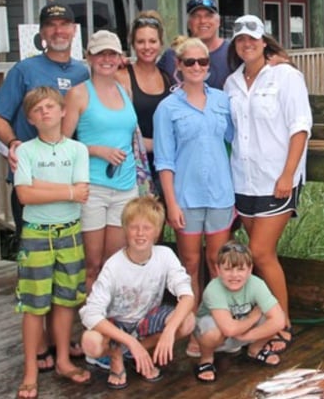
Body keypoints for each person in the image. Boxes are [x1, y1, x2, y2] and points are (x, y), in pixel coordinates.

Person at [0, 1, 90, 372]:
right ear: (42, 32)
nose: (59, 31)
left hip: (73, 180)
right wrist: (14, 143)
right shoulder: (25, 69)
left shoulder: (83, 71)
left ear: (74, 31)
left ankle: (63, 341)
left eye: (65, 25)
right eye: (52, 26)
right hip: (34, 183)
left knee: (70, 268)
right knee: (36, 270)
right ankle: (43, 346)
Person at [223, 14, 312, 356]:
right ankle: (265, 317)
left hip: (277, 180)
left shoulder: (286, 76)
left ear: (264, 41)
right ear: (236, 44)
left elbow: (300, 126)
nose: (247, 44)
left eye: (253, 38)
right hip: (243, 180)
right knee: (260, 255)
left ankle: (283, 323)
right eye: (241, 39)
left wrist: (288, 174)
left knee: (260, 252)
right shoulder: (231, 83)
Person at [153, 37, 235, 357]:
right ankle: (195, 327)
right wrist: (171, 203)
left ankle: (217, 324)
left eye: (203, 62)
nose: (198, 67)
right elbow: (164, 159)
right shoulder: (167, 108)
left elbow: (236, 140)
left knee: (217, 263)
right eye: (190, 62)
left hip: (220, 195)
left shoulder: (221, 100)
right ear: (179, 66)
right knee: (190, 264)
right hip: (185, 198)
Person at [13, 86, 92, 398]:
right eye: (37, 109)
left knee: (65, 299)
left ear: (62, 112)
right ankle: (30, 370)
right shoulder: (26, 151)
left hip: (70, 231)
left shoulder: (77, 150)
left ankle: (62, 360)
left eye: (50, 106)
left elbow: (83, 191)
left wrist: (42, 185)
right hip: (37, 233)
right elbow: (24, 194)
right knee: (33, 305)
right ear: (31, 119)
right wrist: (67, 190)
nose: (44, 112)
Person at [79, 196, 195, 390]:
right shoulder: (113, 265)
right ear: (125, 230)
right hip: (118, 325)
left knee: (187, 321)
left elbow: (187, 295)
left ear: (157, 232)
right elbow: (89, 313)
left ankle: (139, 351)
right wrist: (129, 341)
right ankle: (117, 354)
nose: (140, 234)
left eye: (147, 228)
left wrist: (169, 331)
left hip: (145, 322)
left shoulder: (165, 255)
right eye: (134, 227)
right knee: (90, 341)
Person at [62, 30, 138, 292]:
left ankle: (110, 321)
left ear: (120, 57)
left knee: (114, 262)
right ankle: (90, 323)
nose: (106, 59)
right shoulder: (78, 94)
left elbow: (131, 137)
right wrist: (96, 150)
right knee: (92, 263)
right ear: (89, 57)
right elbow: (61, 145)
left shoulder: (124, 89)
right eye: (100, 54)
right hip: (93, 187)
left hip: (126, 186)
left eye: (112, 54)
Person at [193, 241, 286, 382]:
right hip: (218, 333)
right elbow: (229, 329)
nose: (234, 275)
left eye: (241, 269)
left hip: (241, 330)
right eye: (228, 269)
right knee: (213, 332)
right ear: (218, 270)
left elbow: (279, 320)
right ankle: (206, 359)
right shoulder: (214, 289)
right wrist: (253, 318)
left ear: (250, 270)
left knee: (271, 318)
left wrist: (247, 336)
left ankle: (255, 349)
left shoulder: (257, 284)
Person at [115, 11, 175, 194]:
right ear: (132, 44)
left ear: (161, 43)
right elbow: (118, 129)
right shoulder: (122, 77)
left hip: (165, 166)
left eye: (152, 41)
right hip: (133, 167)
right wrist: (160, 144)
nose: (147, 47)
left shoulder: (168, 78)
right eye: (141, 42)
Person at [158, 0, 231, 89]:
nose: (203, 21)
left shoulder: (232, 52)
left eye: (208, 16)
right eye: (196, 16)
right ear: (189, 23)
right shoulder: (172, 55)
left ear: (218, 21)